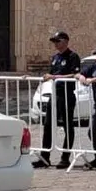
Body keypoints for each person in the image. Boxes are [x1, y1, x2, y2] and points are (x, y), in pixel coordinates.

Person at [35, 31, 80, 169]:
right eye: (54, 42)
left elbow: (75, 74)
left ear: (65, 41)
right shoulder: (55, 57)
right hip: (54, 94)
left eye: (58, 41)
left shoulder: (73, 56)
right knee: (48, 125)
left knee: (67, 126)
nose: (55, 44)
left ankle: (65, 157)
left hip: (66, 94)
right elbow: (51, 73)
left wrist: (55, 77)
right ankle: (45, 157)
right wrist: (47, 76)